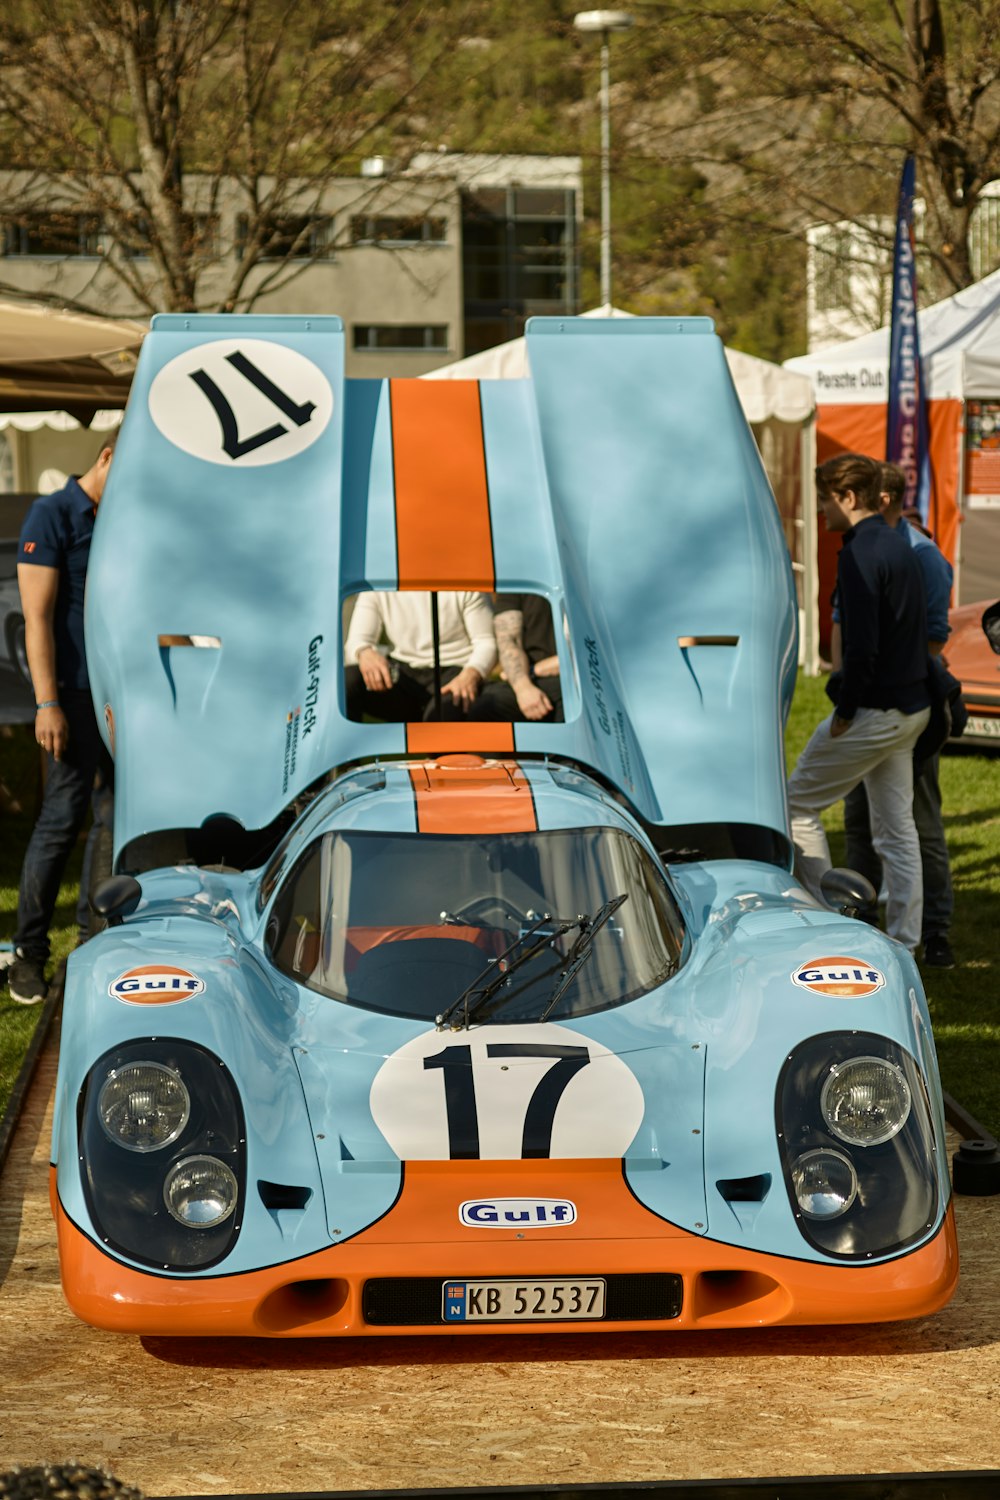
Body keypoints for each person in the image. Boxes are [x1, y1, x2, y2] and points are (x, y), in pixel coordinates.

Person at [786, 453, 930, 953]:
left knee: (795, 802)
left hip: (876, 710)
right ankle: (906, 943)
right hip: (911, 708)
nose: (821, 510)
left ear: (848, 498)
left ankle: (829, 926)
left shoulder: (860, 553)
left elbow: (863, 646)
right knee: (896, 829)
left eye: (825, 499)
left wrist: (845, 710)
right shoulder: (899, 544)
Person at [5, 436, 116, 1006]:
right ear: (105, 457)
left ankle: (91, 939)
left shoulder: (120, 518)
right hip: (69, 696)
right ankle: (29, 952)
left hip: (117, 693)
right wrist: (47, 704)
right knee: (61, 817)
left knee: (114, 816)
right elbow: (37, 618)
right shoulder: (51, 514)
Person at [839, 462, 958, 968]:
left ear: (881, 498)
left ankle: (934, 933)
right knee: (857, 818)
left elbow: (933, 639)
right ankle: (857, 921)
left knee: (918, 819)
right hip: (870, 700)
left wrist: (883, 673)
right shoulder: (869, 549)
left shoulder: (923, 557)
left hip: (910, 703)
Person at [343, 590, 497, 722]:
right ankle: (347, 756)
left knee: (441, 718)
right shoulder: (379, 584)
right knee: (347, 681)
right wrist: (364, 652)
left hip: (454, 676)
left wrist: (471, 675)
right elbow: (356, 641)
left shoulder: (466, 582)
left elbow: (487, 642)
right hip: (401, 677)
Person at [472, 592, 564, 722]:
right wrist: (523, 688)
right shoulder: (521, 583)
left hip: (575, 679)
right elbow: (509, 640)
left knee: (567, 700)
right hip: (528, 677)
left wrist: (536, 669)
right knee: (486, 706)